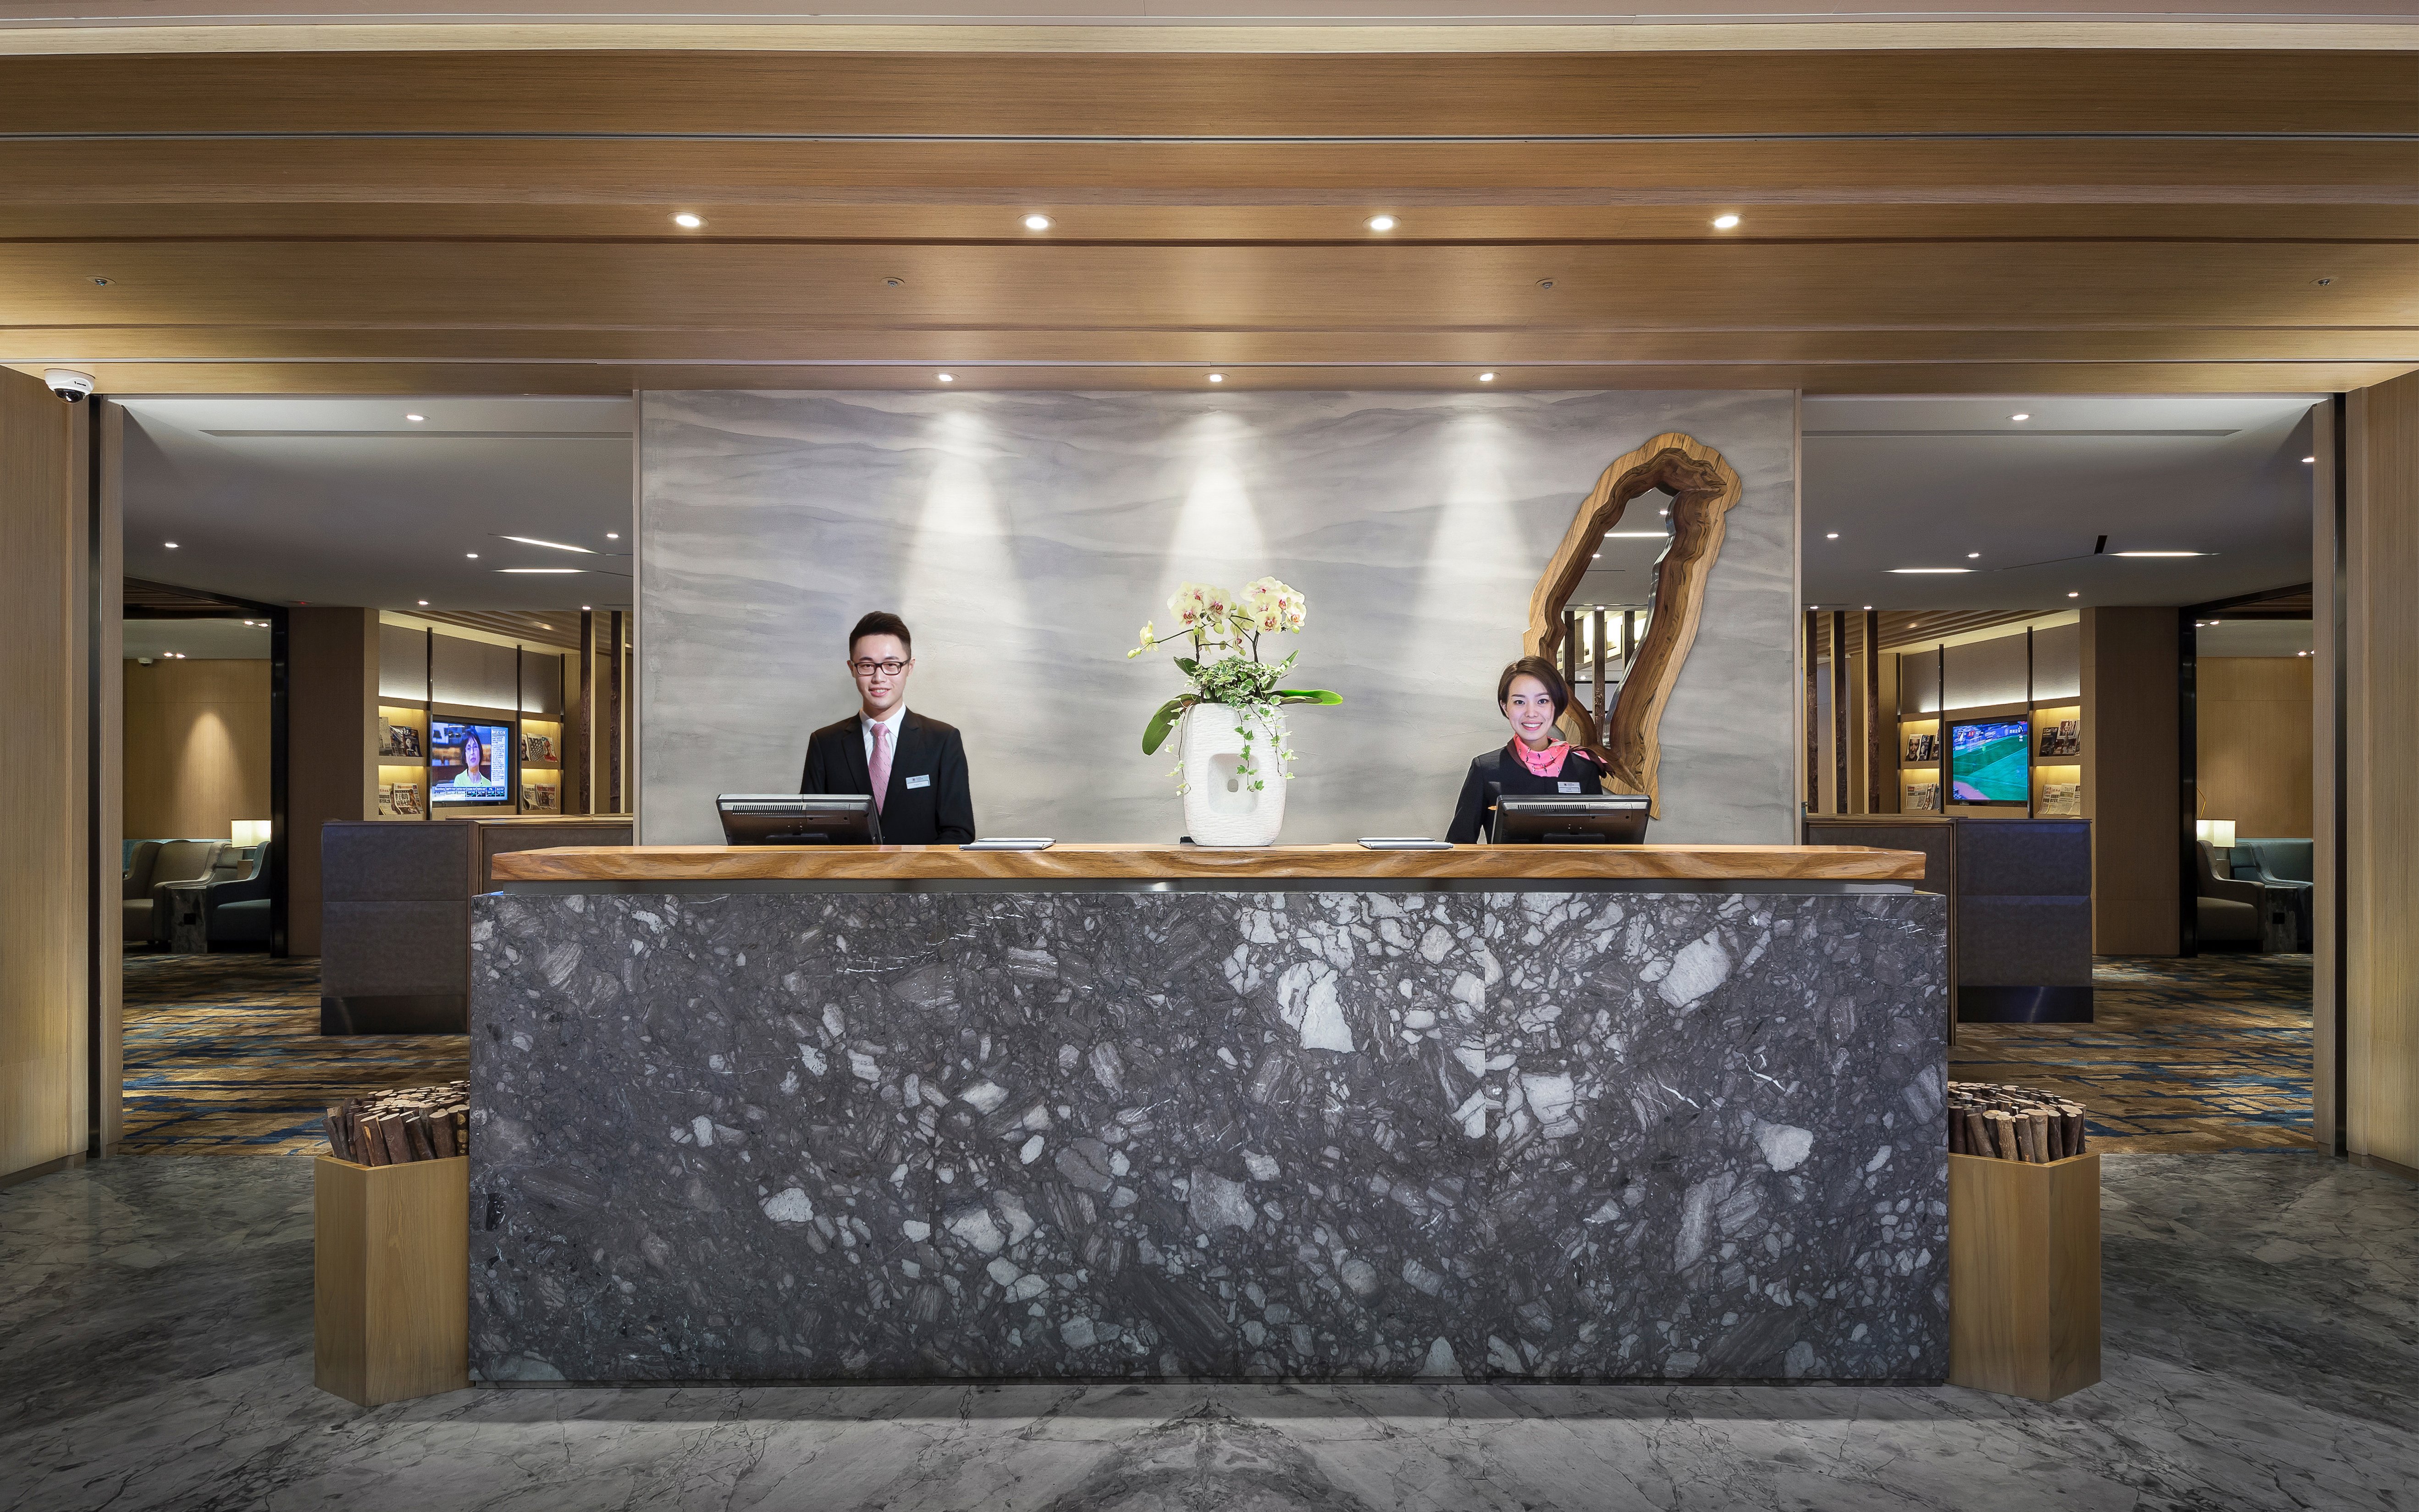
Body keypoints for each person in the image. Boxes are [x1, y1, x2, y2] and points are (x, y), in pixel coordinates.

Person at [799, 610, 976, 844]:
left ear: (909, 667)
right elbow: (808, 831)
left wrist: (909, 871)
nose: (879, 677)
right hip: (846, 880)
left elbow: (958, 832)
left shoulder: (943, 741)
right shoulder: (824, 743)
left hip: (919, 880)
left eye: (891, 665)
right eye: (867, 666)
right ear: (852, 668)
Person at [1446, 656, 1610, 843]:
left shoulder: (1584, 767)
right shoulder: (1485, 769)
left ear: (1555, 706)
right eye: (1519, 702)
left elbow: (1599, 844)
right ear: (1505, 707)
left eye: (1542, 701)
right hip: (1507, 872)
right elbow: (1459, 846)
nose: (1531, 713)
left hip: (1571, 872)